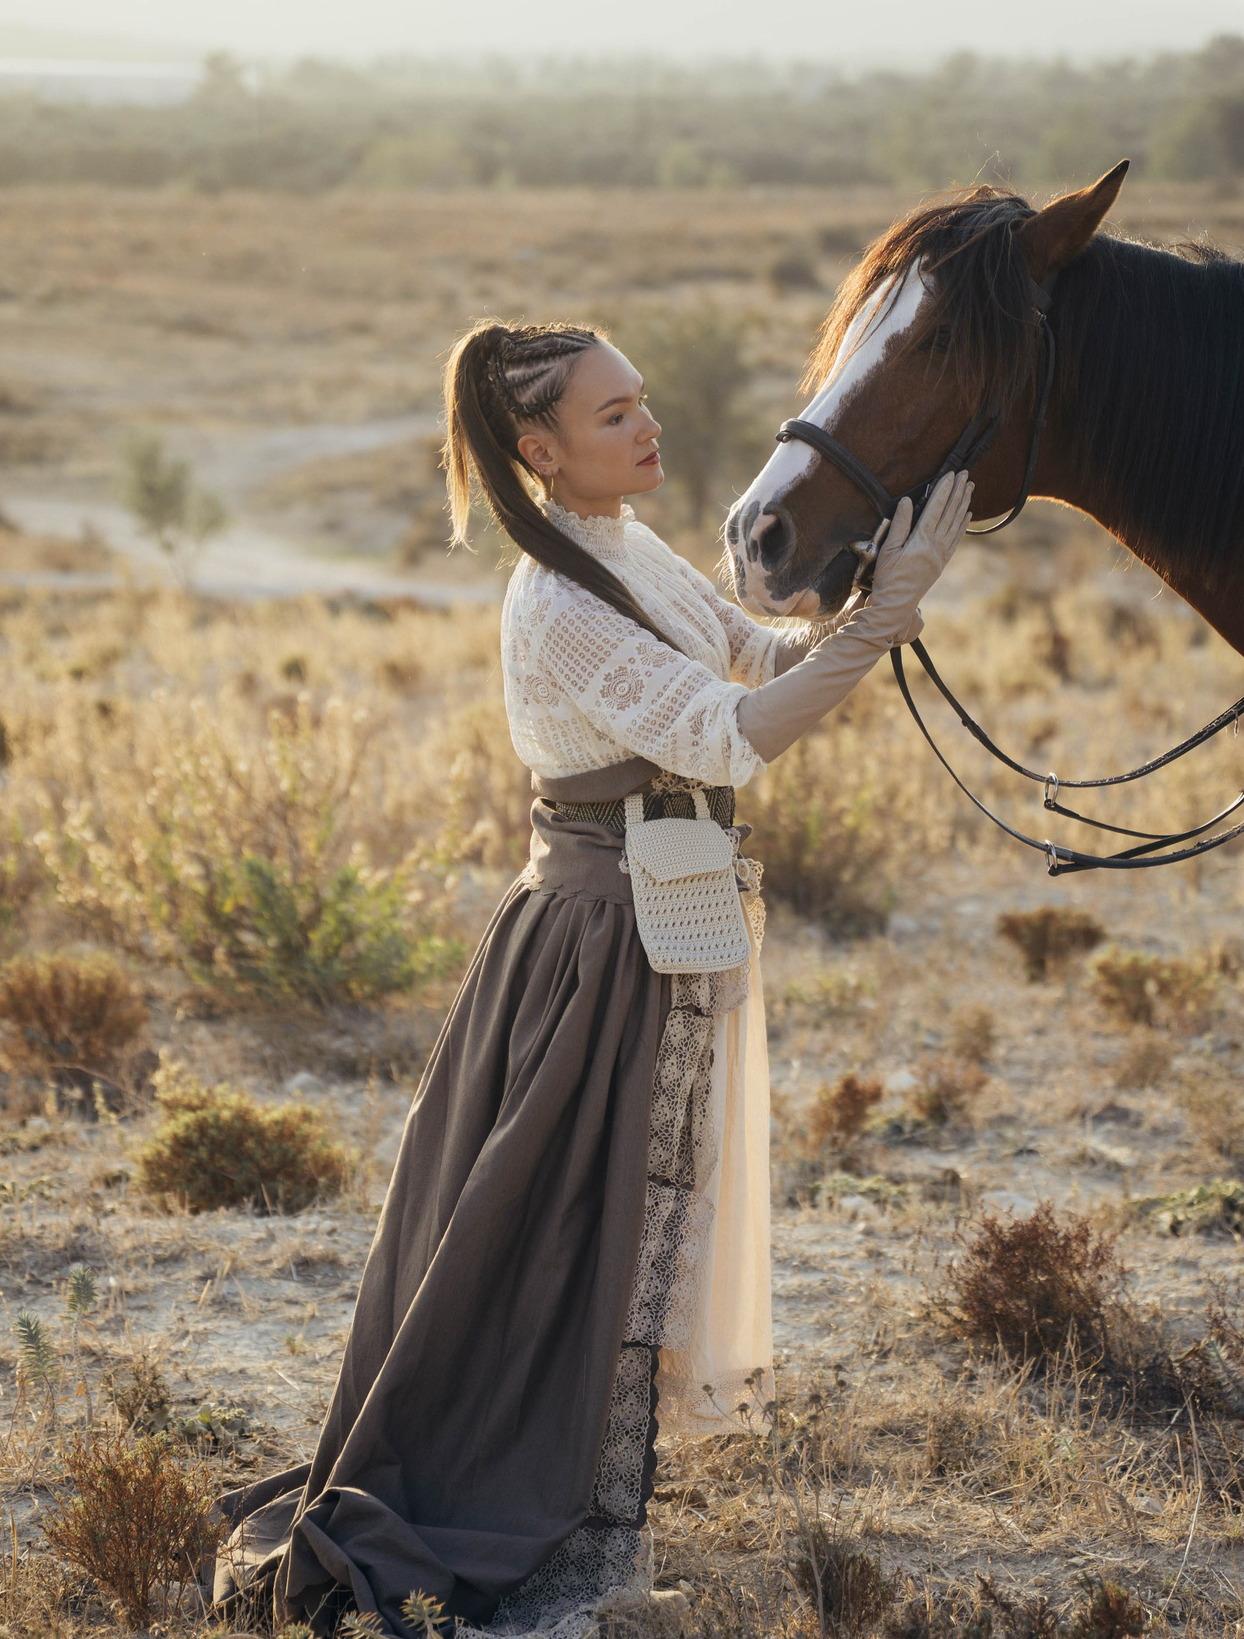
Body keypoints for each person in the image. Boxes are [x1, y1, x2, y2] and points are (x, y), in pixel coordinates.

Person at [212, 320, 970, 1639]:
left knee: (598, 1228)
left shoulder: (620, 547)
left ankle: (576, 1499)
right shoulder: (553, 597)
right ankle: (524, 1496)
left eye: (643, 401)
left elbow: (755, 659)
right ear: (540, 449)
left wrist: (866, 600)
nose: (647, 425)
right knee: (562, 1230)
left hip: (652, 919)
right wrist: (887, 617)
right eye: (614, 413)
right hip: (592, 941)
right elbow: (730, 741)